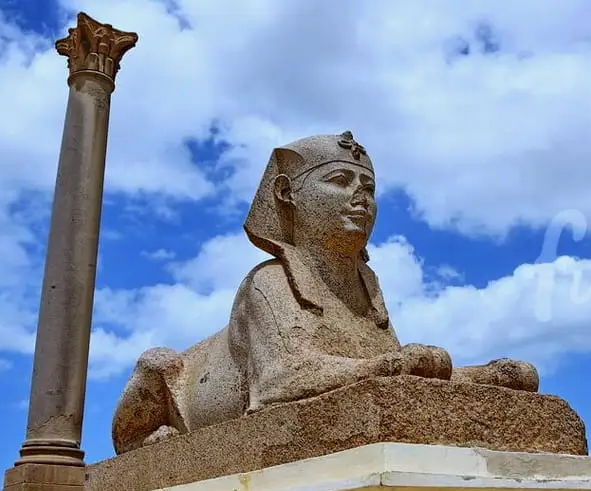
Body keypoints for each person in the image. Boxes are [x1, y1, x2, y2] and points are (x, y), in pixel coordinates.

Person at [112, 131, 536, 454]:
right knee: (159, 363)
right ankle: (137, 444)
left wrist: (486, 375)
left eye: (367, 188)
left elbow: (398, 368)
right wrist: (389, 365)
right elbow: (278, 382)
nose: (360, 198)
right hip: (186, 401)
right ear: (286, 193)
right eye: (339, 180)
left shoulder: (368, 286)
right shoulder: (268, 281)